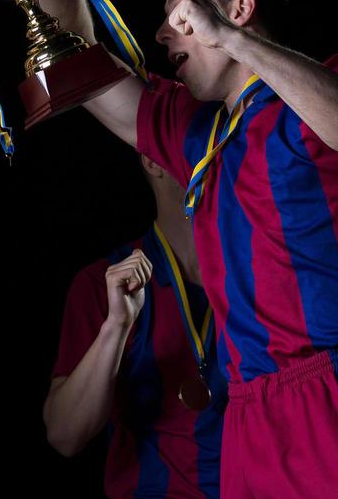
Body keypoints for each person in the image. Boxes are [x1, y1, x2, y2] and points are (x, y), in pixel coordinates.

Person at [38, 0, 338, 498]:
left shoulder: (333, 88)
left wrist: (234, 41)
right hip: (248, 409)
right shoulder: (197, 132)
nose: (163, 33)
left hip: (335, 386)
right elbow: (77, 62)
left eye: (179, 14)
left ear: (240, 9)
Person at [44, 153, 226, 498]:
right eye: (196, 137)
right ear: (152, 160)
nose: (213, 150)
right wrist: (116, 325)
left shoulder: (260, 275)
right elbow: (65, 435)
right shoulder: (102, 283)